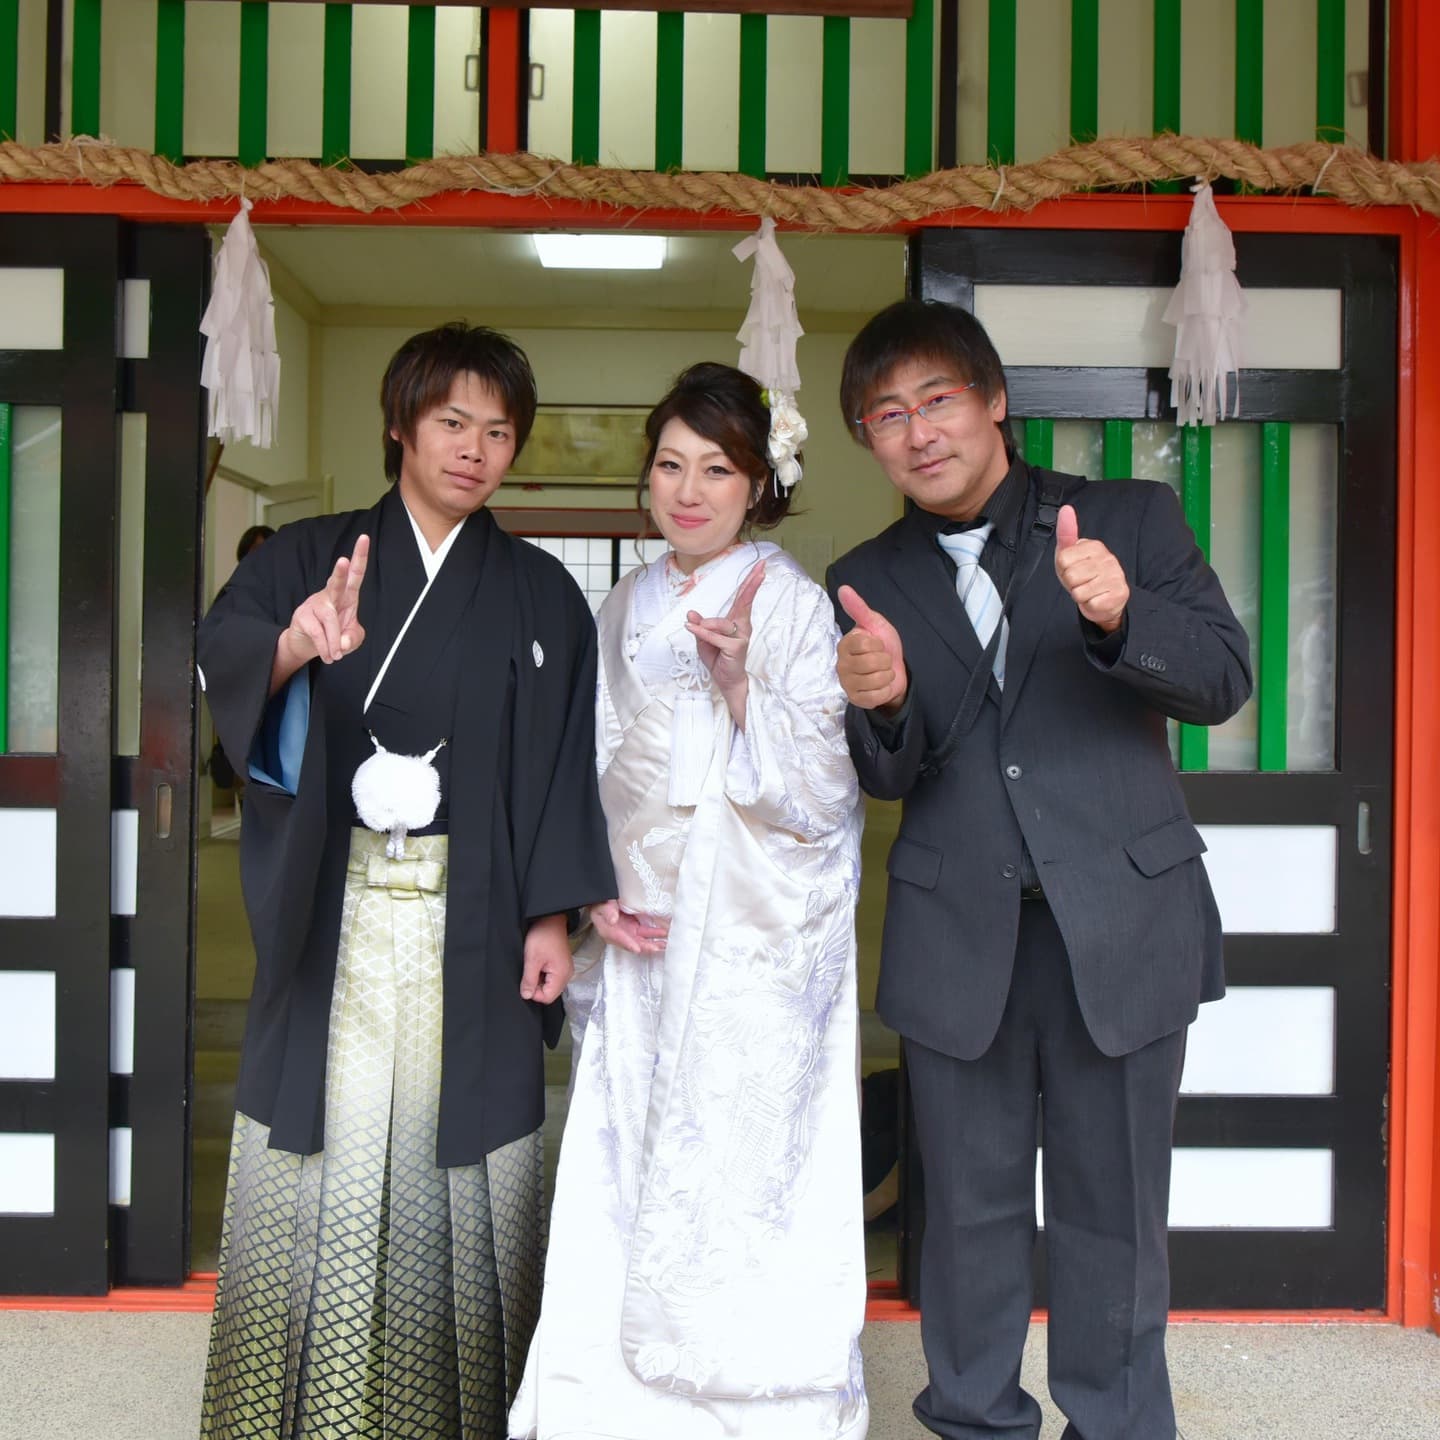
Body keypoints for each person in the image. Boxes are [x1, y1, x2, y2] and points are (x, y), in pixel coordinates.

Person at [827, 300, 1252, 1440]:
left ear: (995, 401)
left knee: (1115, 1208)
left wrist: (1122, 615)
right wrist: (882, 705)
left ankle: (1116, 1423)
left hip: (1120, 921)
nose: (918, 431)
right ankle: (975, 1418)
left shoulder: (1126, 517)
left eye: (939, 400)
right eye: (887, 415)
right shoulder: (865, 575)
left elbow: (1223, 679)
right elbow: (887, 773)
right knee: (966, 1213)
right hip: (960, 935)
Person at [196, 322, 616, 1439]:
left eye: (499, 432)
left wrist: (551, 917)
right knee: (324, 1156)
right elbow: (224, 660)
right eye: (451, 423)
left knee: (457, 1163)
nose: (475, 450)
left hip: (473, 915)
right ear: (400, 426)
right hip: (334, 909)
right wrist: (293, 646)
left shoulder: (540, 593)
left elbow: (563, 762)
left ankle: (456, 1414)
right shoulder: (307, 556)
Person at [509, 362, 869, 1440]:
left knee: (735, 1155)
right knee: (630, 1140)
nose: (689, 490)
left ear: (760, 483)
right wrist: (596, 892)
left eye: (718, 468)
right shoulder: (628, 597)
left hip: (745, 926)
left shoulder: (792, 602)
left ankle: (745, 1396)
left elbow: (825, 792)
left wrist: (741, 686)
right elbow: (595, 757)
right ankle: (609, 1401)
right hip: (640, 919)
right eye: (670, 465)